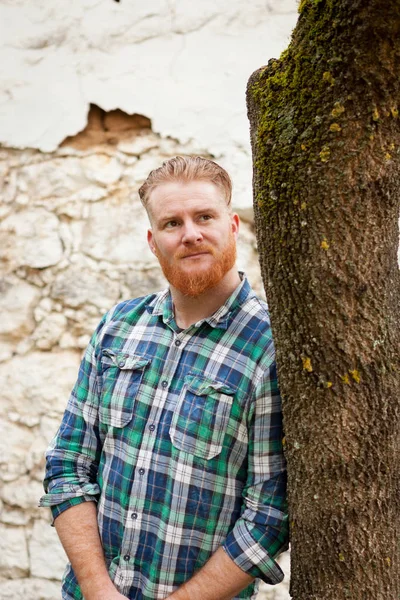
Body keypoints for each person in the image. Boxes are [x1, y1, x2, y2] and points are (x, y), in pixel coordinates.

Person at [40, 156, 288, 600]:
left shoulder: (270, 346)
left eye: (204, 217)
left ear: (233, 225)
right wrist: (98, 591)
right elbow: (67, 466)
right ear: (153, 242)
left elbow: (268, 517)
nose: (190, 233)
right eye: (172, 222)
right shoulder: (117, 325)